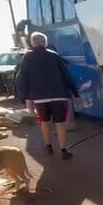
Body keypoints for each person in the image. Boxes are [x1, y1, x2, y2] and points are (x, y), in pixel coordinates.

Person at [15, 32, 79, 160]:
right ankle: (63, 150)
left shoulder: (27, 57)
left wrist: (23, 96)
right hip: (58, 95)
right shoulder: (54, 56)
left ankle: (48, 146)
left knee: (44, 121)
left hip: (39, 98)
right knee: (60, 123)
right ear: (45, 42)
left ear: (32, 43)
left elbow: (22, 78)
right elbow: (66, 75)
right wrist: (74, 91)